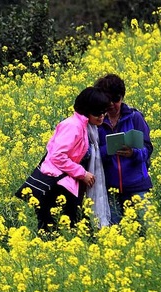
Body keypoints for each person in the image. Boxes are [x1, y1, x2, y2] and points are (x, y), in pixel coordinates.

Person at [34, 86, 110, 232]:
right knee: (57, 231)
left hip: (67, 185)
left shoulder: (88, 127)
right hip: (56, 186)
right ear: (86, 110)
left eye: (104, 111)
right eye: (97, 112)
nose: (102, 116)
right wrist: (82, 173)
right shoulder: (73, 126)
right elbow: (57, 156)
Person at [94, 74, 154, 225]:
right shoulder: (97, 122)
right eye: (108, 100)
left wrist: (133, 153)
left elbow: (147, 149)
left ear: (122, 97)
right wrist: (108, 150)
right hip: (110, 190)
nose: (112, 104)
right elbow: (92, 154)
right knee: (116, 232)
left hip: (138, 186)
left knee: (148, 229)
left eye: (116, 99)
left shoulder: (134, 117)